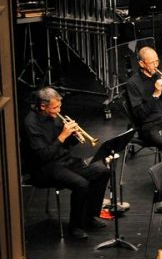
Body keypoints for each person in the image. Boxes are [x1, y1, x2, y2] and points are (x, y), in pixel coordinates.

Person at [22, 87, 111, 239]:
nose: (59, 110)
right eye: (55, 107)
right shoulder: (31, 124)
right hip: (44, 169)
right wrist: (63, 136)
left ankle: (89, 216)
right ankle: (76, 226)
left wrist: (73, 136)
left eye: (59, 106)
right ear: (43, 106)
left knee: (102, 171)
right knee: (81, 184)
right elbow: (44, 155)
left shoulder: (55, 116)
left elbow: (67, 145)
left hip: (64, 161)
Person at [125, 46, 162, 158]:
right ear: (142, 64)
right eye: (152, 62)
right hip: (150, 127)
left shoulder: (160, 74)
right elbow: (139, 116)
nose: (156, 65)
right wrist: (156, 94)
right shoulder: (132, 84)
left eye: (157, 61)